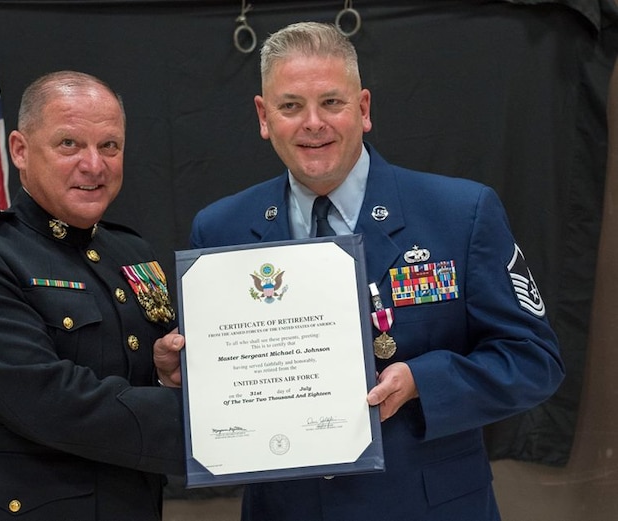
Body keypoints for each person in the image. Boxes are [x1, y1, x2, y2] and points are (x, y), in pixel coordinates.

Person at [189, 22, 564, 521]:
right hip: (286, 509)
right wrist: (184, 373)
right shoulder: (221, 229)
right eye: (290, 106)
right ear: (264, 117)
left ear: (363, 109)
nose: (313, 123)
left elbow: (534, 361)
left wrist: (422, 381)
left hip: (429, 506)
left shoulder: (460, 213)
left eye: (331, 103)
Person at [0, 71, 185, 521]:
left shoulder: (131, 252)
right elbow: (49, 402)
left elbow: (133, 383)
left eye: (109, 146)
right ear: (20, 150)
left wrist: (166, 378)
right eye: (69, 145)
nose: (94, 165)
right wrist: (217, 424)